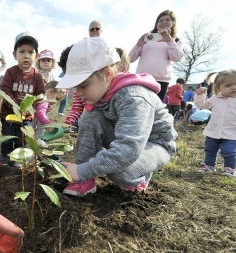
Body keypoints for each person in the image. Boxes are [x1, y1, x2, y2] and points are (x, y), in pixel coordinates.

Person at [56, 37, 177, 196]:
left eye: (83, 85)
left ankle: (139, 178)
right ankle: (85, 180)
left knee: (119, 171)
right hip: (127, 138)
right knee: (89, 117)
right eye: (74, 87)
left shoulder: (134, 98)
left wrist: (80, 170)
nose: (77, 93)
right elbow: (93, 126)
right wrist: (83, 169)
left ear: (106, 73)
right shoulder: (101, 91)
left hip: (156, 143)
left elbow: (128, 149)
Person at [0, 31, 45, 168]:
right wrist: (16, 107)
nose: (26, 56)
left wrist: (30, 109)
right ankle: (5, 157)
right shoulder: (11, 72)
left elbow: (40, 95)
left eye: (30, 52)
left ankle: (18, 159)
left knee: (22, 138)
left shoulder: (37, 76)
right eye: (22, 52)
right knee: (7, 136)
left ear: (36, 56)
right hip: (8, 114)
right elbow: (5, 91)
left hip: (26, 116)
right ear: (15, 55)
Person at [194, 68, 236, 177]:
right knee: (209, 149)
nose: (234, 87)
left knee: (229, 151)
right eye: (228, 85)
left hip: (233, 133)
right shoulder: (215, 98)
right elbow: (202, 105)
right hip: (213, 131)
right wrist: (200, 95)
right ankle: (209, 165)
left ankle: (230, 169)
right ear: (218, 88)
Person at [63, 47, 130, 131]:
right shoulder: (91, 89)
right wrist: (67, 124)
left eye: (83, 86)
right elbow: (76, 110)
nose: (78, 93)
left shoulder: (125, 96)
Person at [129, 10, 184, 101]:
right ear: (156, 23)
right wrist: (138, 44)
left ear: (173, 23)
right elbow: (130, 59)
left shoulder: (176, 40)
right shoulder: (147, 38)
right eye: (160, 20)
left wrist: (169, 41)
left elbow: (176, 58)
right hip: (142, 79)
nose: (164, 22)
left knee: (153, 111)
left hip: (161, 81)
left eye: (167, 20)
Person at [35, 80, 66, 145]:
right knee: (39, 127)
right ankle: (38, 139)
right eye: (57, 98)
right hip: (34, 123)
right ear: (51, 91)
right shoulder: (45, 100)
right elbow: (40, 113)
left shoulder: (42, 97)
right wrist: (48, 125)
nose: (56, 102)